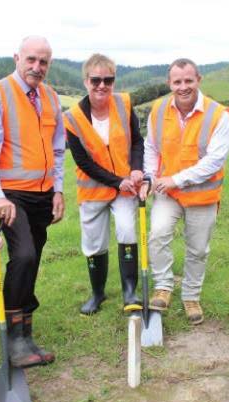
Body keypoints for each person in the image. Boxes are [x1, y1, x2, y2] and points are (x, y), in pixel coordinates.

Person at [0, 36, 64, 369]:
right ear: (16, 58)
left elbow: (57, 150)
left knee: (34, 258)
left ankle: (25, 332)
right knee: (23, 255)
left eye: (43, 62)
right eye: (31, 60)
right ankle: (15, 341)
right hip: (11, 196)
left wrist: (58, 190)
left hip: (42, 194)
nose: (36, 67)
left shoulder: (52, 98)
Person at [140, 58, 229, 325]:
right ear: (170, 83)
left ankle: (191, 296)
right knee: (157, 234)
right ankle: (164, 287)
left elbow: (214, 161)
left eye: (188, 81)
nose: (183, 87)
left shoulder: (218, 115)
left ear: (198, 80)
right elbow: (151, 148)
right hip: (168, 193)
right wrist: (149, 177)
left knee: (198, 249)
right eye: (177, 82)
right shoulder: (158, 109)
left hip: (201, 196)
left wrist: (175, 180)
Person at [64, 53, 145, 315]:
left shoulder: (124, 104)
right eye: (96, 80)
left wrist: (135, 170)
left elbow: (137, 142)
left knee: (127, 231)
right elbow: (83, 162)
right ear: (86, 81)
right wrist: (117, 181)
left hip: (126, 189)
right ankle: (97, 294)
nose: (102, 85)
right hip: (93, 191)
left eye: (108, 80)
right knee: (94, 244)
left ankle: (129, 291)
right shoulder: (72, 117)